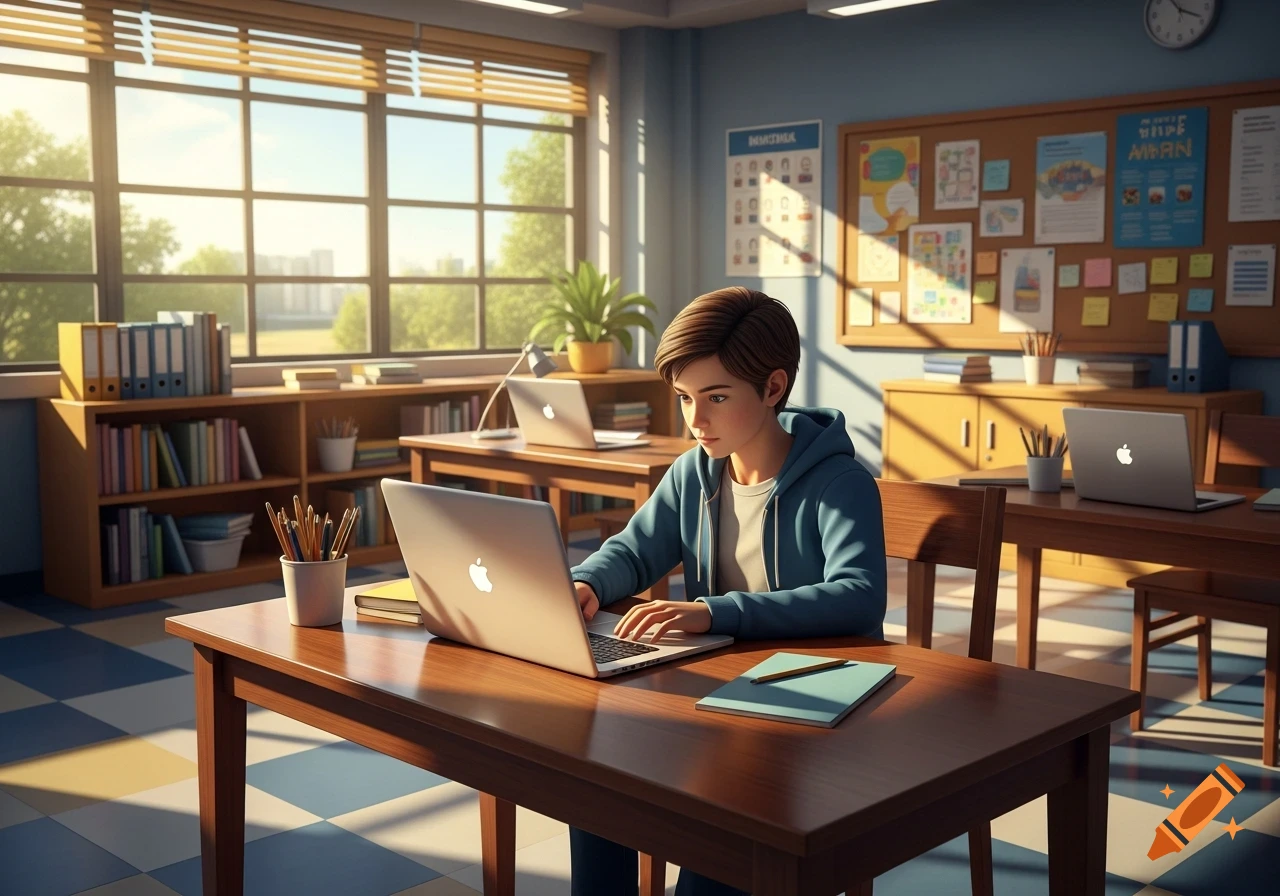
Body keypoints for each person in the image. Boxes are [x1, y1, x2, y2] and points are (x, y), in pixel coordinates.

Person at [568, 286, 887, 896]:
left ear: (773, 387)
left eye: (716, 397)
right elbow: (636, 549)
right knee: (597, 791)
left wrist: (712, 612)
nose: (696, 419)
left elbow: (858, 595)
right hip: (720, 698)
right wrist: (588, 582)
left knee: (714, 860)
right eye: (685, 397)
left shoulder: (840, 482)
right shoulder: (695, 470)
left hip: (815, 702)